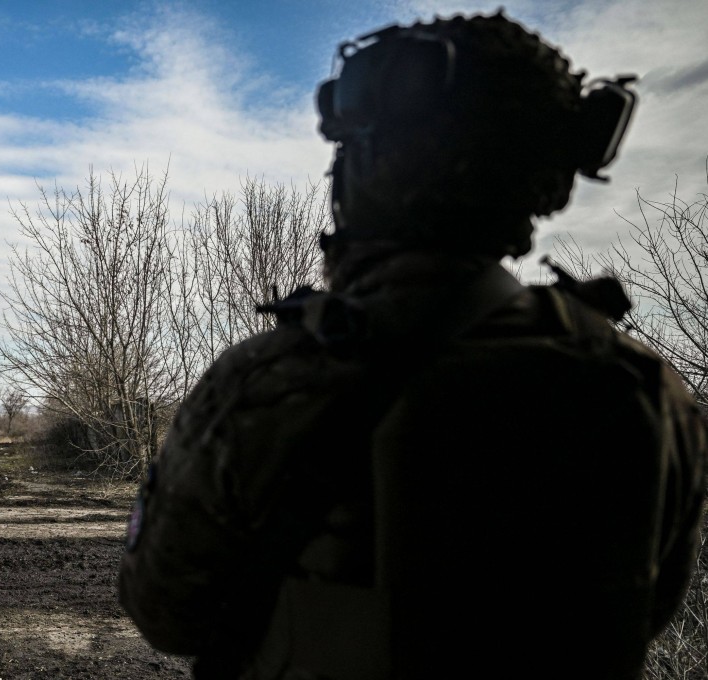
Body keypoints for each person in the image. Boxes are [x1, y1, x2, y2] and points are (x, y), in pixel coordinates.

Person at [118, 10, 707, 679]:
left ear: (368, 169)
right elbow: (644, 612)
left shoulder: (274, 380)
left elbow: (165, 610)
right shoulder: (643, 391)